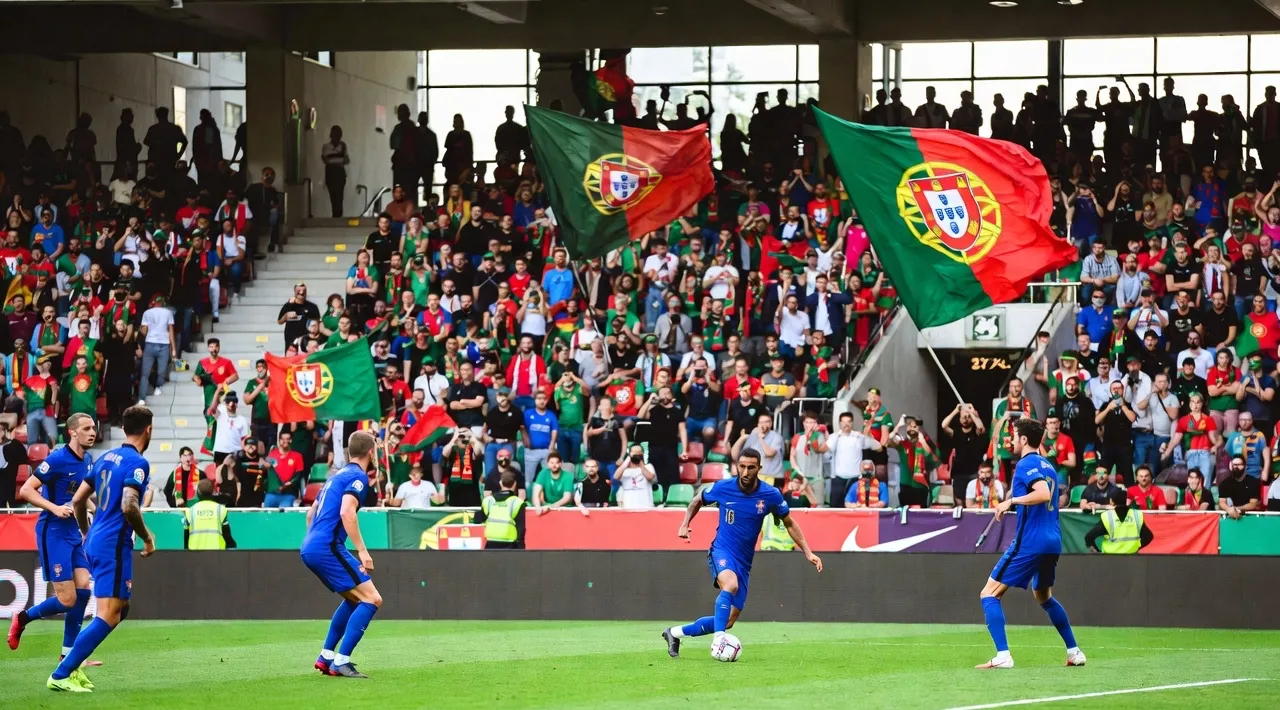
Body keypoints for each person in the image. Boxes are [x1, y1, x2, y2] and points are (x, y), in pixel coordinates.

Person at [661, 448, 822, 658]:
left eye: (751, 467)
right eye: (742, 466)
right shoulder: (723, 488)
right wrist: (684, 524)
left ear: (759, 469)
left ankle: (674, 633)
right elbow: (697, 500)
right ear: (737, 466)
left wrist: (808, 552)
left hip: (744, 562)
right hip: (721, 550)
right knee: (730, 585)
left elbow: (789, 522)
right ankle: (719, 640)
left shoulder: (770, 495)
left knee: (728, 620)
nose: (745, 472)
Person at [46, 405, 156, 693]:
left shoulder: (105, 457)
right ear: (149, 430)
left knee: (121, 608)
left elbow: (80, 500)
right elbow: (130, 505)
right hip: (113, 544)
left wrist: (86, 533)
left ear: (123, 429)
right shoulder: (138, 463)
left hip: (96, 540)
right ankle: (62, 673)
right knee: (109, 614)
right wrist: (146, 536)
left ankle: (72, 665)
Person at [976, 418, 1084, 670]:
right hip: (1053, 540)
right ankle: (1074, 651)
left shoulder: (1025, 464)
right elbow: (1043, 491)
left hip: (1030, 542)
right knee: (1043, 595)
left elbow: (1043, 494)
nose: (1012, 440)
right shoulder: (1048, 465)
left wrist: (1010, 502)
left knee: (989, 594)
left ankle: (1003, 655)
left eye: (1014, 436)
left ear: (1024, 440)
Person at [8, 413, 97, 681]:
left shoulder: (89, 460)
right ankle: (22, 618)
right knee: (67, 599)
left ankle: (68, 654)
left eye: (93, 427)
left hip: (72, 533)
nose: (92, 432)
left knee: (83, 590)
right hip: (53, 532)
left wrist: (98, 513)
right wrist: (54, 507)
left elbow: (82, 496)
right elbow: (26, 489)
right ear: (72, 432)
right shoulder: (58, 459)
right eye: (86, 428)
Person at [301, 430, 383, 679]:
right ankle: (341, 661)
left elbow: (309, 514)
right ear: (371, 452)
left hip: (311, 546)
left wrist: (315, 542)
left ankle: (326, 657)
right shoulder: (357, 478)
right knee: (372, 599)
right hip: (327, 546)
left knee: (355, 598)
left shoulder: (335, 477)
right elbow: (348, 512)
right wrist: (362, 551)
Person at [1085, 487, 1154, 554]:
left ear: (1111, 501)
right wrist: (1136, 548)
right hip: (1132, 559)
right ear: (1126, 501)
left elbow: (1088, 538)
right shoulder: (1136, 515)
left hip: (1110, 560)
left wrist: (1097, 553)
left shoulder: (1108, 517)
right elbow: (1149, 537)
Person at [476, 469, 526, 549]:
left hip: (490, 543)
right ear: (515, 484)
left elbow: (478, 520)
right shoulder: (518, 503)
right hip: (510, 545)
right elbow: (521, 528)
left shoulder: (487, 501)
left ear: (500, 483)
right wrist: (521, 547)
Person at [183, 480, 236, 550]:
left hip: (195, 554)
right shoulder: (221, 509)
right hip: (217, 554)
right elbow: (227, 536)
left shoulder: (190, 511)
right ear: (212, 492)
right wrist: (232, 546)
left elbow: (186, 538)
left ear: (197, 493)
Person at [614, 444, 656, 510]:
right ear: (629, 454)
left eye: (639, 453)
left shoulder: (648, 467)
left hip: (646, 506)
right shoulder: (624, 470)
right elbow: (616, 477)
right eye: (635, 453)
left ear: (642, 454)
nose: (637, 455)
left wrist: (641, 465)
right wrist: (627, 461)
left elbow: (650, 477)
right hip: (628, 506)